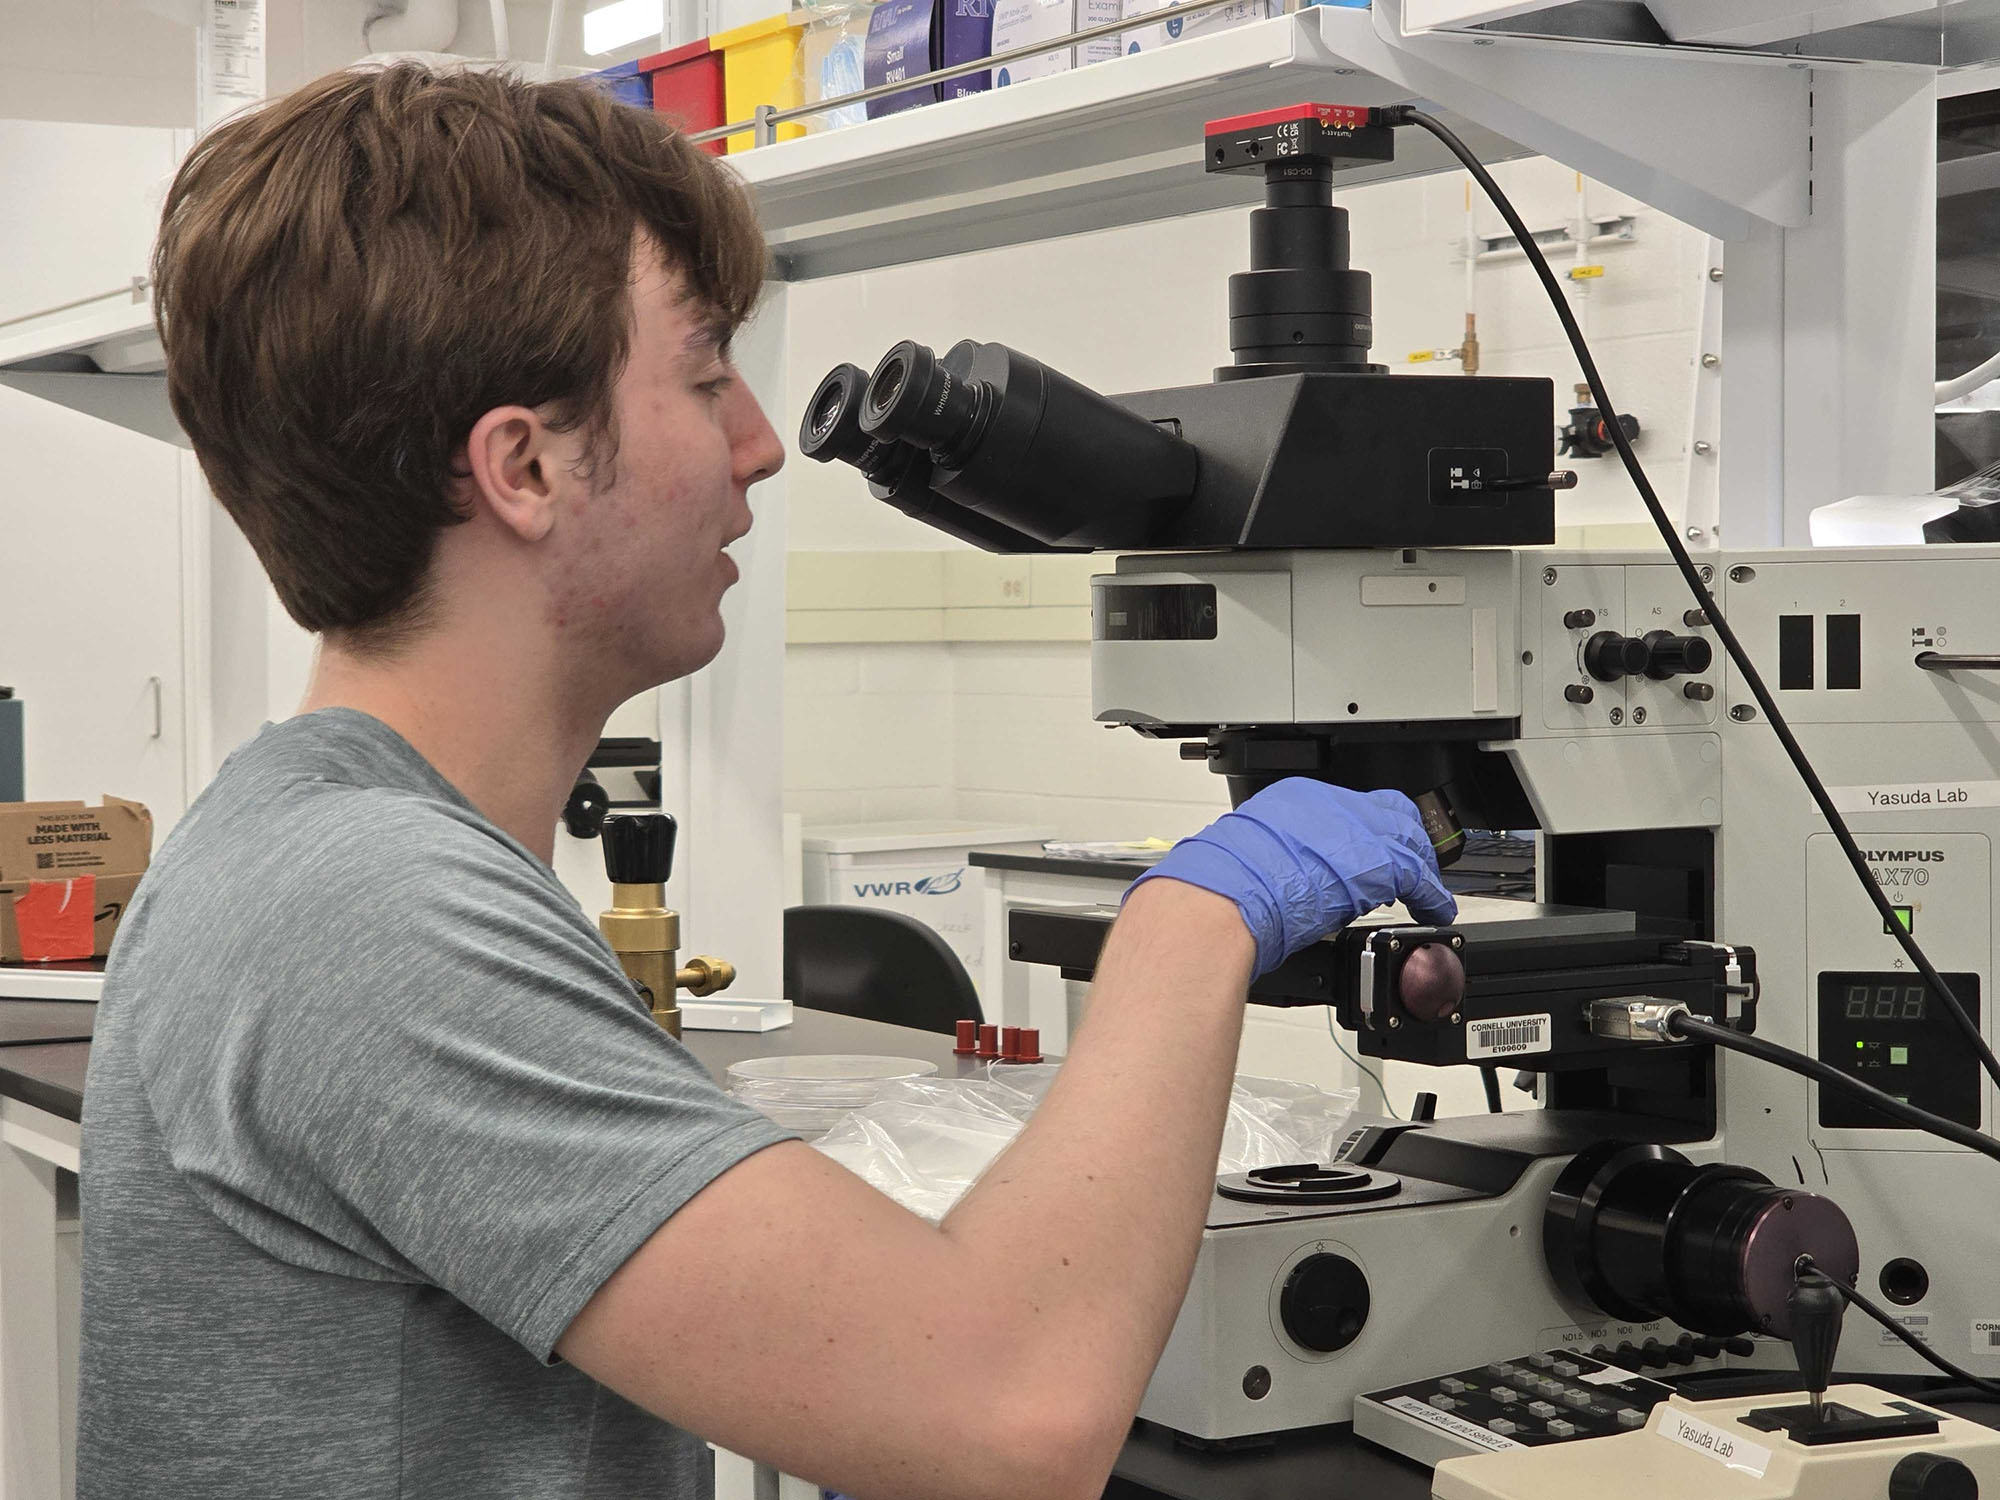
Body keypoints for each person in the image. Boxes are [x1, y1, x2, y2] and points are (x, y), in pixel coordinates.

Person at [78, 64, 1455, 1500]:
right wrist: (1191, 922)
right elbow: (1011, 1410)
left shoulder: (303, 843)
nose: (758, 446)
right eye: (702, 375)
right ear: (525, 468)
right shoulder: (368, 914)